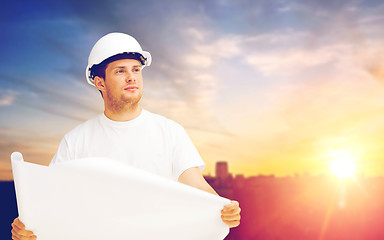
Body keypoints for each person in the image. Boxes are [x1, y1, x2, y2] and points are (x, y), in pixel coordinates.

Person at [11, 32, 241, 239]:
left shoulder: (169, 132)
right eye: (120, 71)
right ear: (100, 82)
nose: (132, 77)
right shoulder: (76, 140)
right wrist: (28, 228)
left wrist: (223, 208)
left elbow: (197, 187)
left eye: (136, 70)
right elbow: (52, 201)